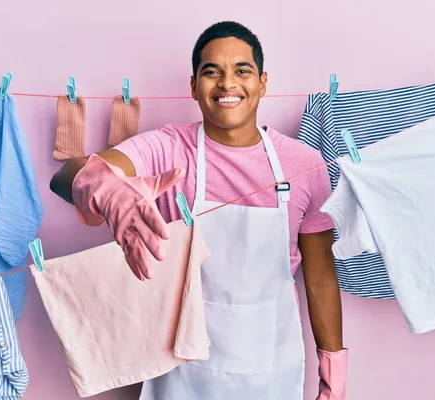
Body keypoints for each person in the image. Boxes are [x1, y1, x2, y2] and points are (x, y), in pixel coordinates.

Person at [50, 20, 348, 400]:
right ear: (194, 86)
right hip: (180, 372)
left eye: (242, 70)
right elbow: (64, 176)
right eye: (212, 72)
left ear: (262, 82)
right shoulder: (168, 149)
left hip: (269, 368)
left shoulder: (305, 164)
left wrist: (333, 376)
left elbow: (320, 277)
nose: (227, 84)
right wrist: (106, 190)